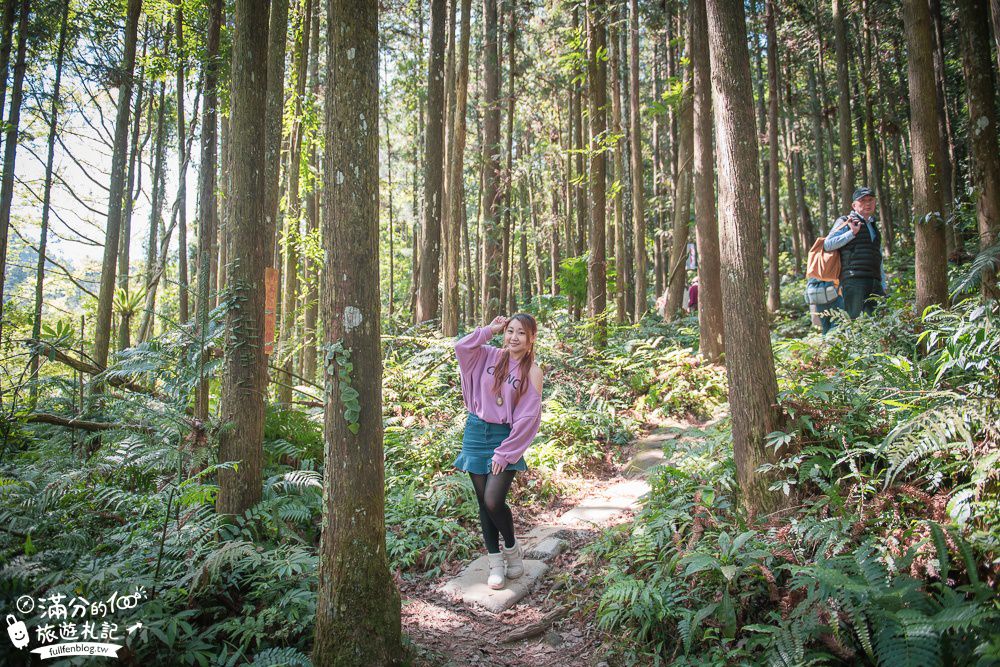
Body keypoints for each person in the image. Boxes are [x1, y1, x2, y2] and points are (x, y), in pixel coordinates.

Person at [453, 313, 543, 590]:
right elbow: (461, 347)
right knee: (483, 502)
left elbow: (529, 418)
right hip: (476, 431)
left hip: (505, 437)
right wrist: (489, 330)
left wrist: (506, 452)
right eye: (510, 331)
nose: (513, 337)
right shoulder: (488, 355)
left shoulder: (533, 371)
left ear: (531, 339)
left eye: (521, 333)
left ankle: (512, 548)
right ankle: (495, 561)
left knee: (493, 500)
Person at [823, 187, 887, 319]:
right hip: (854, 280)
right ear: (854, 205)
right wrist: (851, 233)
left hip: (874, 281)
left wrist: (882, 283)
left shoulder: (874, 226)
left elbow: (878, 257)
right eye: (862, 201)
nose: (867, 203)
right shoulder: (845, 221)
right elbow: (828, 244)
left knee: (879, 321)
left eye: (870, 200)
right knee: (853, 321)